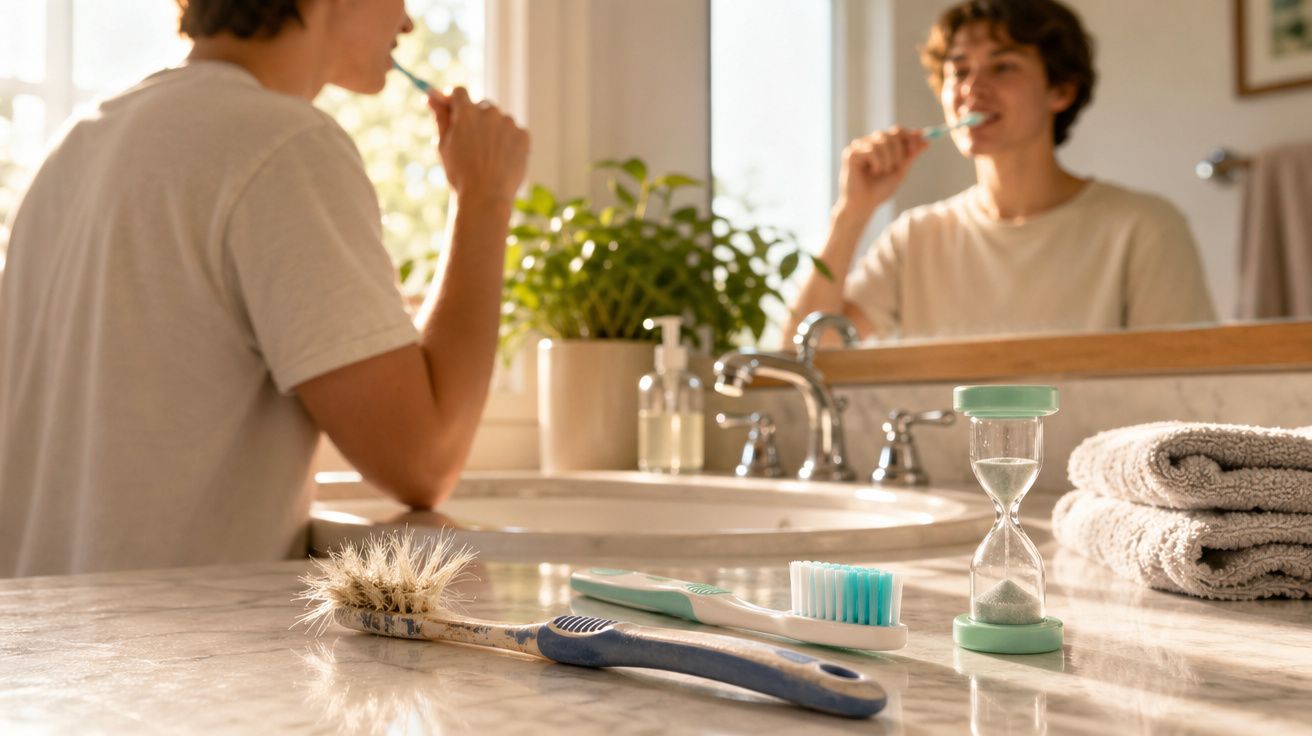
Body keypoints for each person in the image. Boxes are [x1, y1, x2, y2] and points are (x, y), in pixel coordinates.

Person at [0, 0, 529, 576]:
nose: (407, 23)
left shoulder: (78, 144)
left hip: (35, 628)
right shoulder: (283, 145)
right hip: (165, 632)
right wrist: (485, 196)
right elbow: (423, 461)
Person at [787, 0, 1215, 343]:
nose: (972, 88)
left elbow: (1186, 386)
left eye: (1003, 66)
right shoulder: (914, 239)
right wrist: (853, 211)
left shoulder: (1144, 228)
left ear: (1061, 90)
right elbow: (803, 362)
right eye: (959, 70)